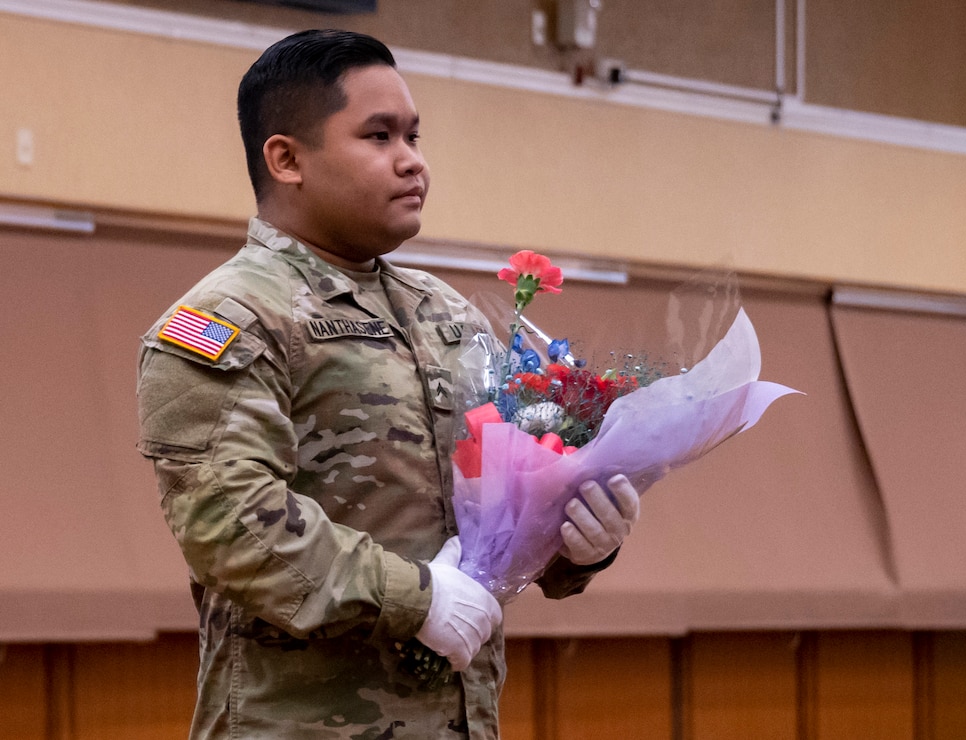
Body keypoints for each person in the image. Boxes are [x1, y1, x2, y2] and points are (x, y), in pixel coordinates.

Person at [136, 29, 640, 740]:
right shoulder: (227, 318)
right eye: (379, 137)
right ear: (286, 159)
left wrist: (575, 542)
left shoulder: (449, 313)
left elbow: (501, 499)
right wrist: (419, 598)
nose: (413, 162)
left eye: (414, 135)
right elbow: (227, 522)